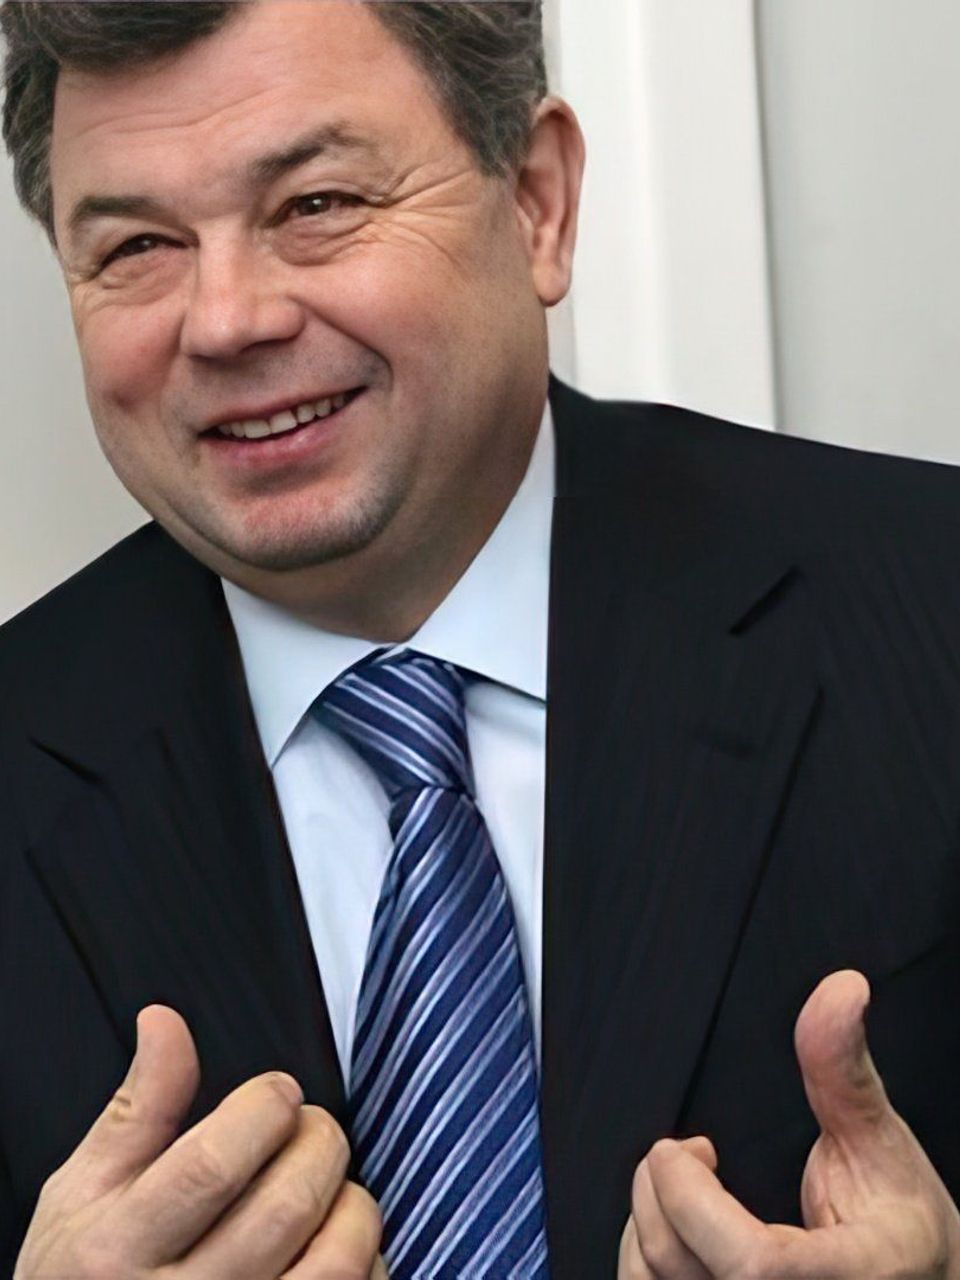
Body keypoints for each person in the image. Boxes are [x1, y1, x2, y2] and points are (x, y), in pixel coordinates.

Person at [1, 1, 959, 1276]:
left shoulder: (929, 612)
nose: (225, 319)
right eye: (137, 246)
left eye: (317, 204)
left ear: (537, 202)